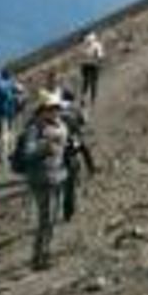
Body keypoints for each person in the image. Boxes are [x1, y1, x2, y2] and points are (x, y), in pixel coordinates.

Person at [16, 91, 69, 270]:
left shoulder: (61, 124)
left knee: (54, 217)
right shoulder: (34, 128)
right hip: (41, 179)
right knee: (45, 219)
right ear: (43, 109)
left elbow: (62, 147)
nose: (55, 111)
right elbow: (27, 153)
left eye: (57, 107)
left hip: (58, 176)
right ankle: (40, 257)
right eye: (51, 108)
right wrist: (45, 146)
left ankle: (45, 253)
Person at [58, 88, 96, 222]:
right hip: (72, 144)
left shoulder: (55, 108)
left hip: (56, 148)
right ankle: (91, 168)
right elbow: (84, 121)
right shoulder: (74, 109)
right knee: (84, 149)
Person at [78, 31, 105, 104]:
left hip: (84, 64)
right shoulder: (97, 44)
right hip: (93, 64)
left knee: (85, 82)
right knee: (94, 82)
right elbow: (100, 56)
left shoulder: (83, 43)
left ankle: (82, 97)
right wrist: (100, 63)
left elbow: (81, 55)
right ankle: (93, 99)